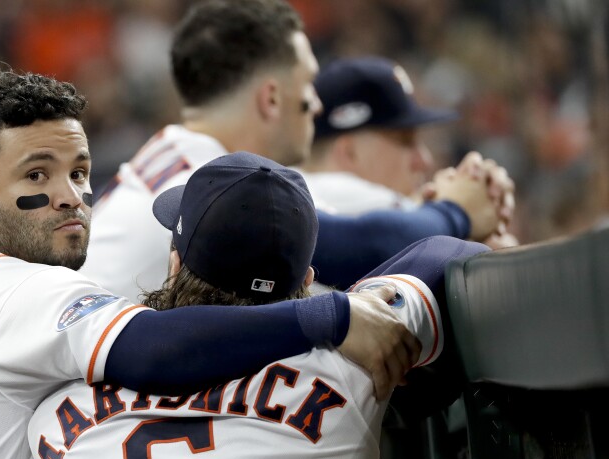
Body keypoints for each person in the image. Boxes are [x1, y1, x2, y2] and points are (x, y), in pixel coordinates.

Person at [0, 69, 419, 459]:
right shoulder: (29, 293)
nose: (71, 197)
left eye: (79, 172)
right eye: (37, 174)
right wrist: (328, 317)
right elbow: (157, 347)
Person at [27, 151, 490, 459]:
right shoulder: (351, 370)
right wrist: (357, 305)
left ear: (174, 264)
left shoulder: (60, 394)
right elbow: (454, 255)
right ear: (307, 280)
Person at [81, 0, 509, 299]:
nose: (317, 104)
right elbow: (354, 245)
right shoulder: (208, 180)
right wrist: (459, 211)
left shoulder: (172, 154)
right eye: (307, 84)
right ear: (270, 99)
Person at [294, 55, 518, 247]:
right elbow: (397, 230)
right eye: (405, 141)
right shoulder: (330, 193)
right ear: (349, 152)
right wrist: (464, 202)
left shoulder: (297, 193)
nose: (424, 160)